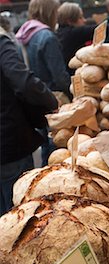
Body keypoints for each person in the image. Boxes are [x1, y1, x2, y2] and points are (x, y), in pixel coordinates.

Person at [0, 28, 58, 215]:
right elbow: (24, 81)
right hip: (8, 142)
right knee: (21, 214)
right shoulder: (1, 43)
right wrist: (51, 101)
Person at [16, 0, 70, 166]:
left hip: (33, 101)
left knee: (45, 143)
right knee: (57, 147)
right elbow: (60, 76)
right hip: (53, 99)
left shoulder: (22, 34)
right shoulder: (46, 36)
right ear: (49, 12)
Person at [56, 2, 109, 75]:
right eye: (80, 17)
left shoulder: (59, 33)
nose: (84, 20)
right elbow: (99, 29)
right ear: (70, 21)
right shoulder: (72, 33)